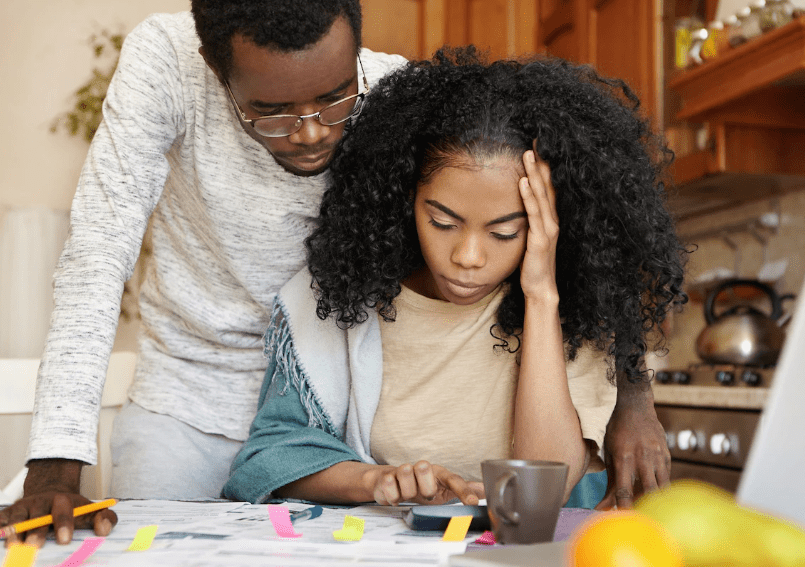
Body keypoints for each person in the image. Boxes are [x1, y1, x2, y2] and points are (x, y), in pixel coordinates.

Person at [0, 0, 405, 546]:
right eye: (273, 109)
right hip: (184, 407)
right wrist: (54, 464)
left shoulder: (393, 90)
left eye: (335, 98)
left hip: (326, 423)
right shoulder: (168, 61)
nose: (311, 134)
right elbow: (98, 251)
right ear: (217, 71)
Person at [221, 48, 688, 506]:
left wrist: (541, 295)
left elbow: (543, 491)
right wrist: (377, 482)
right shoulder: (338, 296)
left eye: (504, 232)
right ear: (405, 197)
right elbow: (268, 458)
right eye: (442, 222)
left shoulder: (576, 306)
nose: (467, 257)